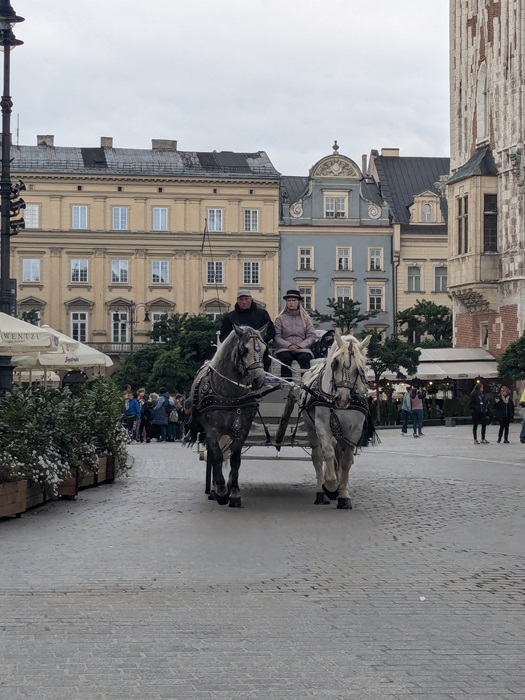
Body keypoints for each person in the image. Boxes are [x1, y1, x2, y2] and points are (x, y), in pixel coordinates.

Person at [219, 289, 275, 370]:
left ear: (251, 299)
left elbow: (271, 331)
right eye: (241, 300)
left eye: (246, 299)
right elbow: (223, 336)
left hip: (258, 351)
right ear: (237, 301)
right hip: (237, 354)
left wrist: (259, 339)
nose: (244, 302)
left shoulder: (262, 314)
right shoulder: (230, 317)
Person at [274, 289, 317, 379]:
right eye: (289, 300)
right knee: (285, 358)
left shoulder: (306, 318)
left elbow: (311, 336)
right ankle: (287, 384)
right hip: (284, 348)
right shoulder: (280, 318)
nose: (291, 303)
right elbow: (277, 337)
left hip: (302, 348)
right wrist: (289, 345)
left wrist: (300, 346)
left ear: (298, 302)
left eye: (294, 300)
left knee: (305, 358)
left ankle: (306, 385)